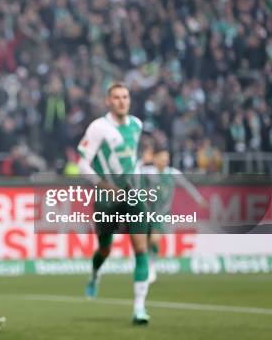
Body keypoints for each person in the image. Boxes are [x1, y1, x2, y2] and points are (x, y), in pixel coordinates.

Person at [76, 82, 150, 325]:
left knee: (140, 248)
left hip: (132, 194)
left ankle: (139, 309)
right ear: (108, 101)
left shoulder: (137, 125)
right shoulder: (99, 127)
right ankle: (95, 273)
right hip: (107, 199)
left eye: (125, 97)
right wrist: (105, 186)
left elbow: (130, 159)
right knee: (105, 249)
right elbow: (82, 164)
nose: (122, 101)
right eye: (117, 97)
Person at [140, 146, 207, 283]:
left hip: (162, 213)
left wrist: (199, 199)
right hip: (147, 211)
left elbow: (187, 186)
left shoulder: (172, 173)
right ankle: (148, 263)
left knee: (154, 239)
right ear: (155, 159)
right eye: (163, 158)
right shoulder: (147, 172)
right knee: (146, 241)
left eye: (167, 158)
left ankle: (151, 267)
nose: (165, 160)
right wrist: (142, 161)